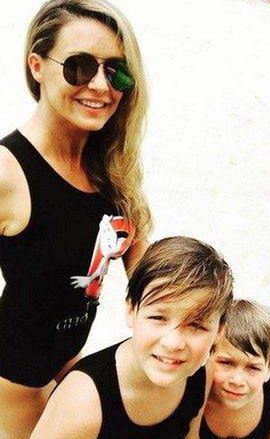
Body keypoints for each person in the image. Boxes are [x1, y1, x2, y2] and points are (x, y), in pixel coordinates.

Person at [0, 0, 152, 436]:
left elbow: (149, 277)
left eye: (117, 72)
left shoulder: (111, 170)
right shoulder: (8, 171)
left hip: (71, 376)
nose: (101, 86)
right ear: (37, 66)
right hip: (15, 391)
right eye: (80, 67)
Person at [31, 236, 233, 438]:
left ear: (219, 331)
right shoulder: (82, 403)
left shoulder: (201, 372)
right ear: (130, 310)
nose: (173, 344)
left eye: (196, 325)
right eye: (157, 317)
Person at [201, 299, 270, 439]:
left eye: (253, 368)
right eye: (226, 363)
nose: (237, 381)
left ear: (269, 369)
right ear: (207, 357)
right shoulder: (192, 395)